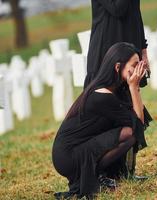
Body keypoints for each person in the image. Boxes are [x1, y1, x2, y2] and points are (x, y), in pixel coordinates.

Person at [52, 43, 149, 199]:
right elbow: (138, 124)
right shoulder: (102, 95)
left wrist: (133, 87)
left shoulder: (112, 88)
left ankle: (109, 173)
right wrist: (134, 87)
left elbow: (138, 118)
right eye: (135, 65)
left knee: (129, 131)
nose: (139, 69)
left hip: (80, 147)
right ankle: (95, 174)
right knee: (129, 134)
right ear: (118, 67)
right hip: (68, 156)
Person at [84, 0, 152, 178]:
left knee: (130, 108)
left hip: (129, 50)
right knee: (106, 118)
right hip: (106, 56)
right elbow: (118, 8)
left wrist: (143, 50)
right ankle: (103, 174)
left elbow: (134, 12)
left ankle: (126, 172)